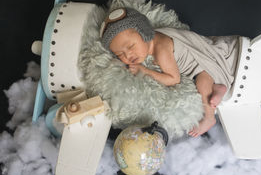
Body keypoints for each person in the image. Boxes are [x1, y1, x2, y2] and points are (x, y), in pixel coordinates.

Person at [100, 7, 239, 137]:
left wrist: (145, 71)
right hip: (198, 61)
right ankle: (218, 88)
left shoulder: (161, 51)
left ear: (144, 33)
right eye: (120, 54)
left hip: (201, 64)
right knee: (206, 80)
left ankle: (209, 116)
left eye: (131, 46)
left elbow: (173, 79)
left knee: (203, 80)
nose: (128, 55)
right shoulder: (151, 41)